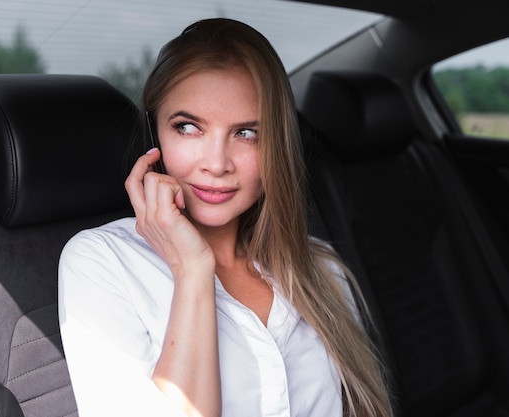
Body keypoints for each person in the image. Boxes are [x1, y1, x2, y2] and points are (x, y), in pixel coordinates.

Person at [59, 18, 392, 417]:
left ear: (277, 148)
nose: (216, 165)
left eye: (246, 133)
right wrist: (193, 271)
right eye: (188, 128)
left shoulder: (320, 267)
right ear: (154, 136)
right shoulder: (101, 264)